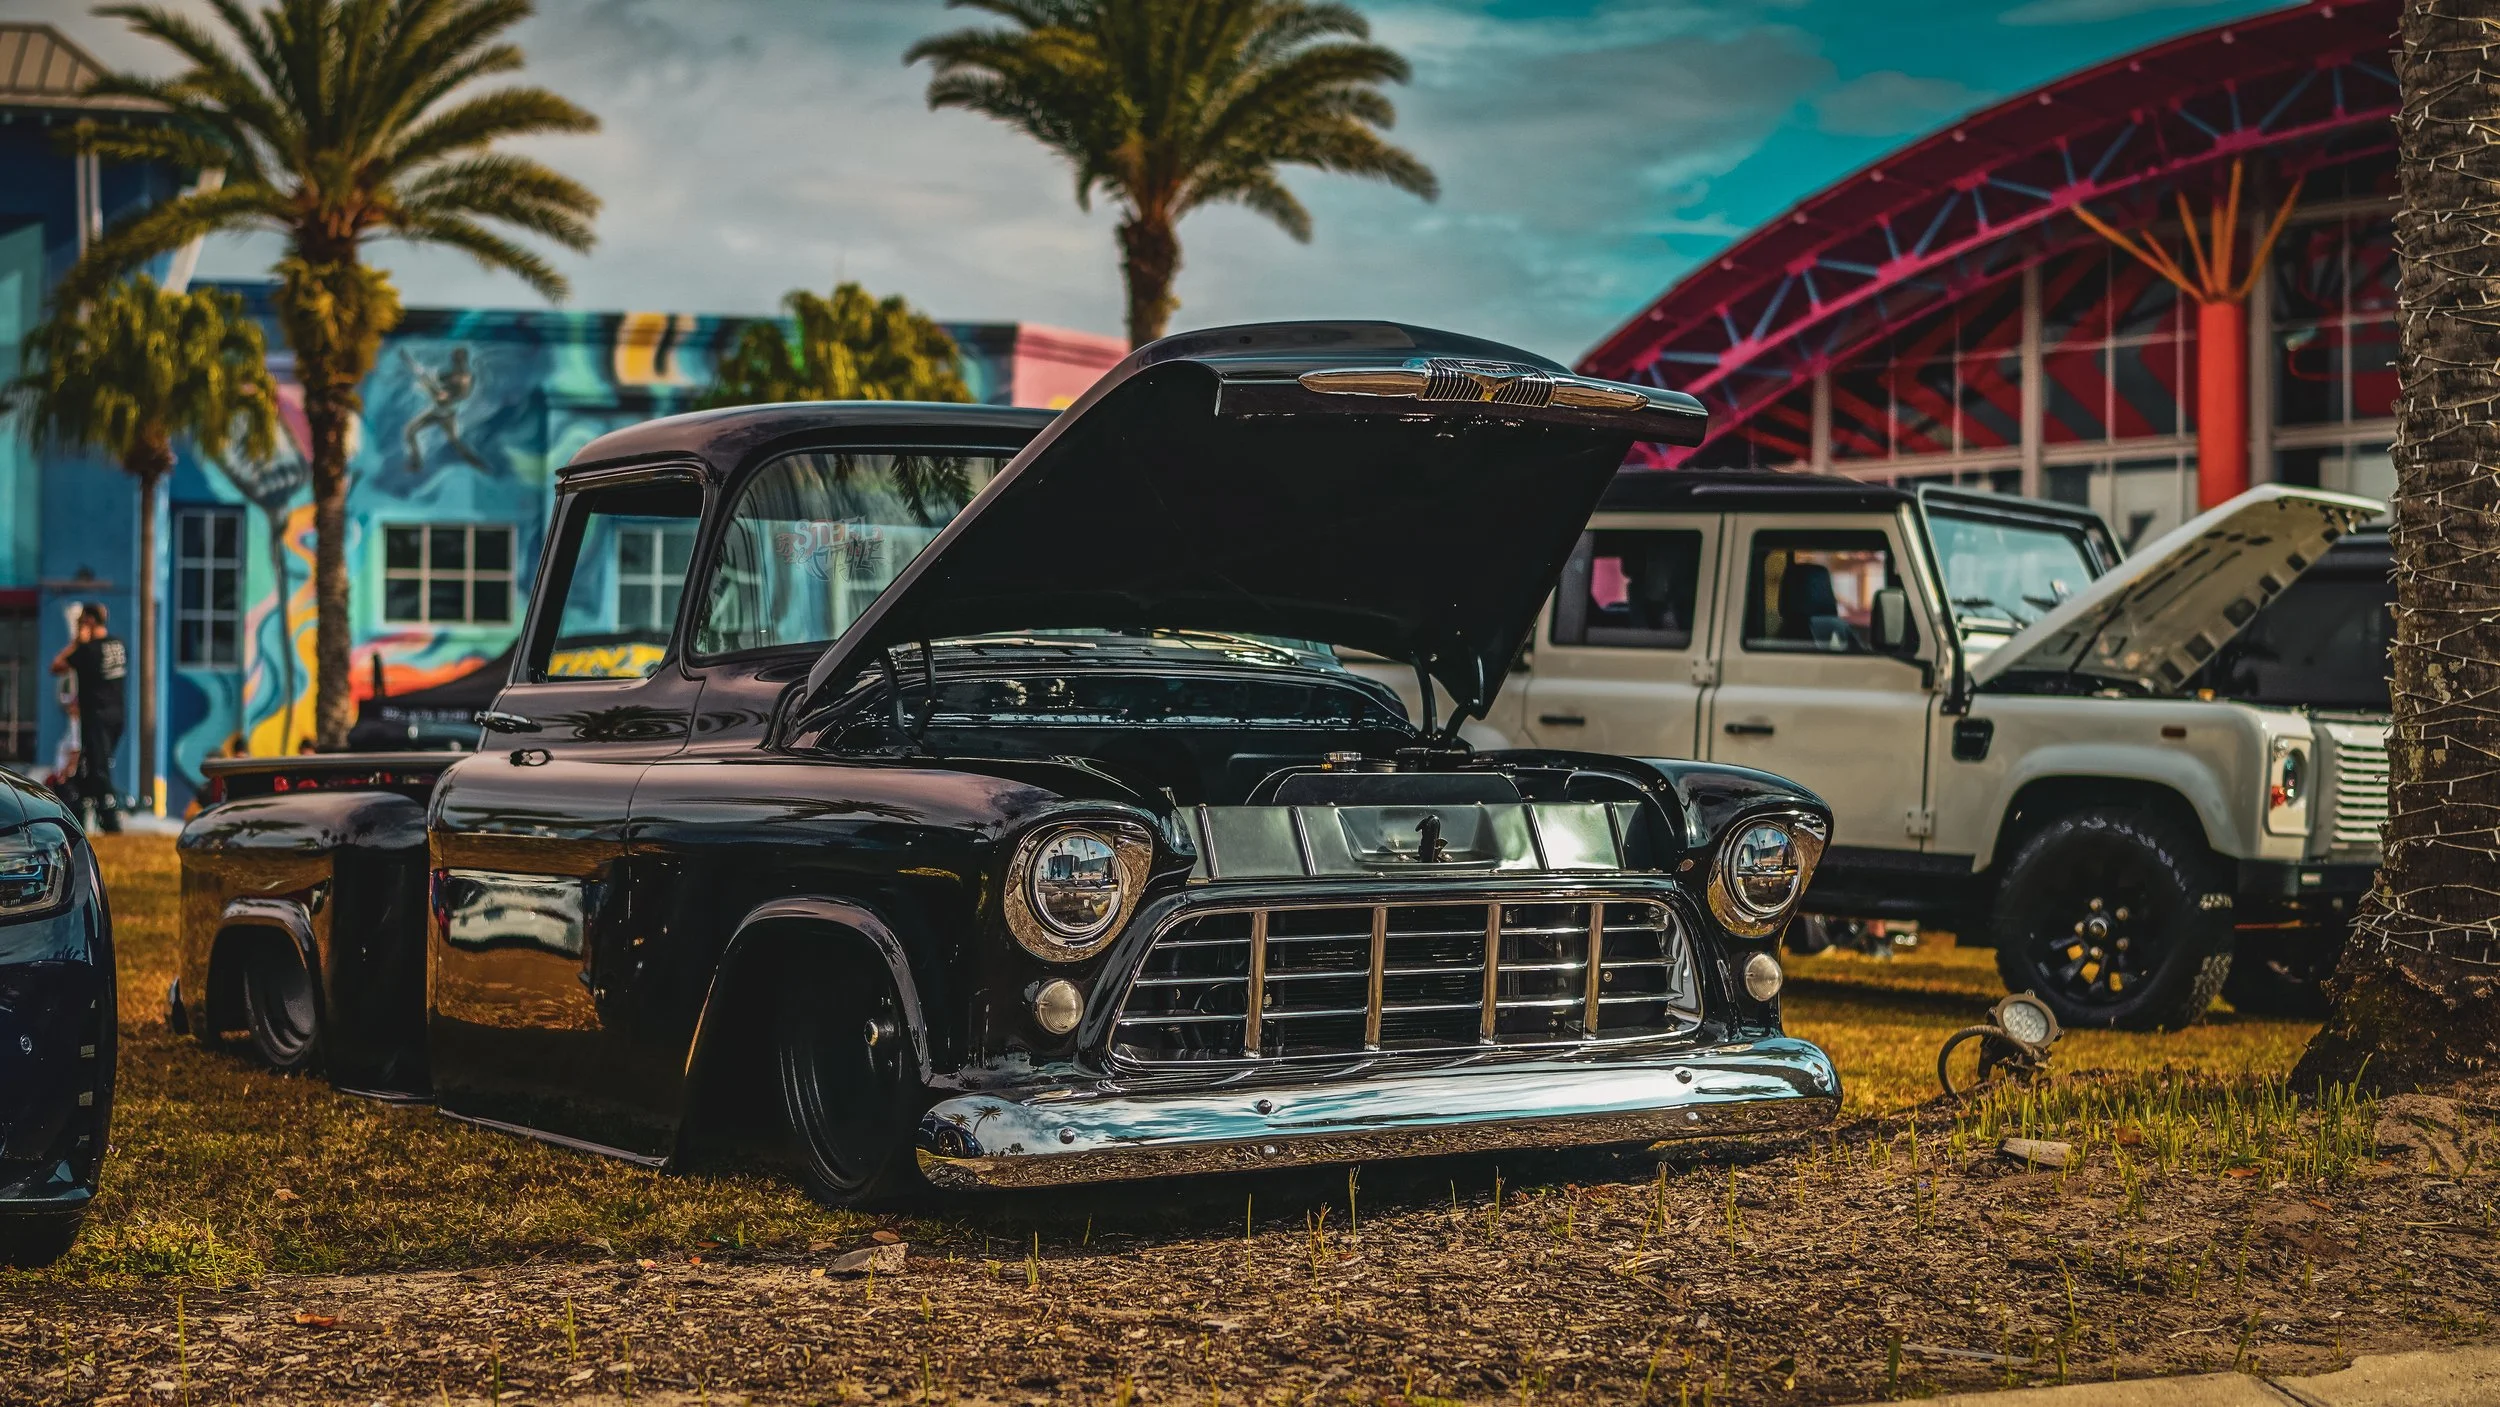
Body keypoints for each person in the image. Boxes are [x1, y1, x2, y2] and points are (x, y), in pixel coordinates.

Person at [51, 603, 126, 833]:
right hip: (117, 715)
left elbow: (56, 666)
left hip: (96, 717)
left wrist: (78, 641)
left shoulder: (87, 650)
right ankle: (83, 813)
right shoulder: (117, 644)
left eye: (81, 621)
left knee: (97, 770)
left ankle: (111, 820)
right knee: (92, 768)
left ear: (89, 622)